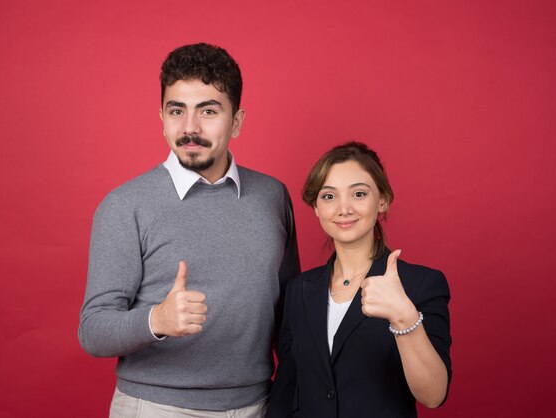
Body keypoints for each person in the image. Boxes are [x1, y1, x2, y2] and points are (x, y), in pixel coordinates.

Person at [78, 43, 300, 418]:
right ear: (162, 117)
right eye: (176, 111)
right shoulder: (124, 206)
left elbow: (289, 315)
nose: (190, 128)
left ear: (237, 121)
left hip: (258, 405)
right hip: (157, 407)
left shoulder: (272, 196)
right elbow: (93, 330)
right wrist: (157, 321)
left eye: (208, 111)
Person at [266, 142, 451, 418]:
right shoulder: (299, 290)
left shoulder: (420, 284)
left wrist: (405, 318)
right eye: (329, 197)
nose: (344, 208)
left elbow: (434, 395)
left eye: (359, 194)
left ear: (383, 200)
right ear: (316, 207)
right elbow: (287, 386)